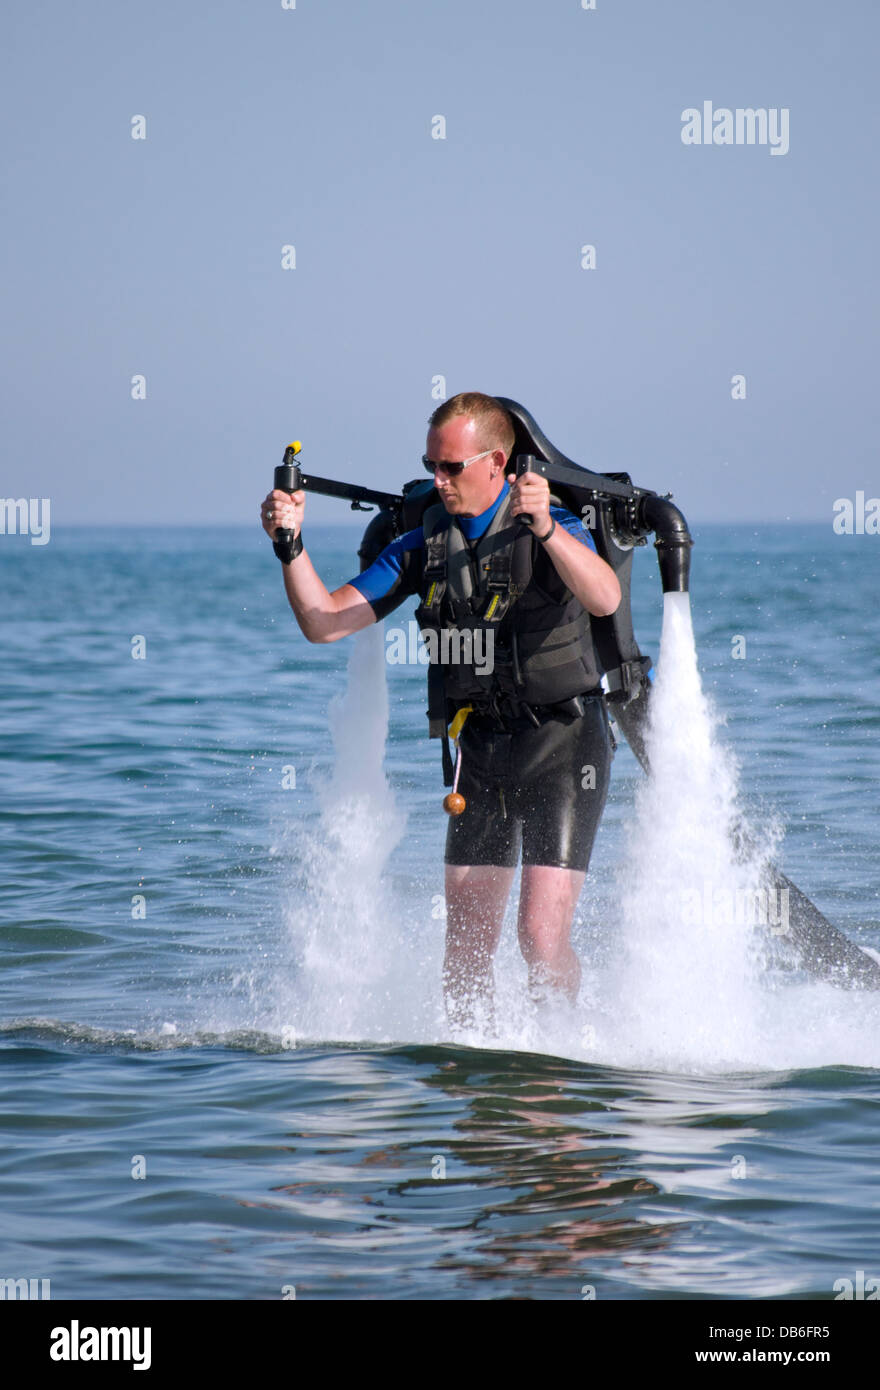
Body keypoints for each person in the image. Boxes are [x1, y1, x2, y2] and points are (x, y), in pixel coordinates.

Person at [260, 392, 621, 1028]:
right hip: (479, 748)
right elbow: (324, 622)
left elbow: (604, 595)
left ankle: (567, 1049)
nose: (438, 480)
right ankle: (471, 1070)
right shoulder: (420, 544)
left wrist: (543, 528)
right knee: (465, 947)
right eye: (432, 464)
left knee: (539, 938)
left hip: (564, 742)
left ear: (497, 462)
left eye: (451, 467)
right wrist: (290, 546)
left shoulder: (551, 523)